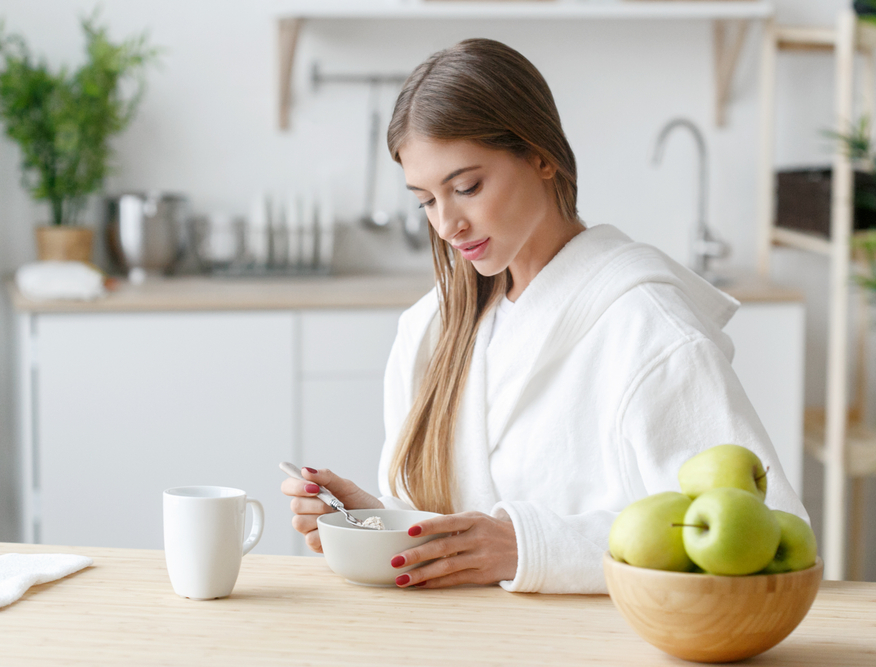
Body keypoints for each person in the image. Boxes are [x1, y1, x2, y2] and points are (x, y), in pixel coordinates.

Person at [281, 38, 809, 594]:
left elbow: (769, 537)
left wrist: (533, 547)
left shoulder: (649, 329)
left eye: (466, 187)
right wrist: (377, 524)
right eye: (426, 200)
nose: (446, 225)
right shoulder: (431, 329)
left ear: (541, 155)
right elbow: (466, 541)